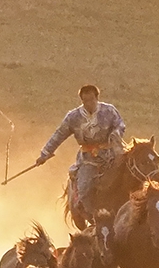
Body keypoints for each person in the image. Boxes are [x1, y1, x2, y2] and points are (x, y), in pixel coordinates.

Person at [36, 84, 126, 224]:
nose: (89, 104)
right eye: (85, 101)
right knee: (84, 187)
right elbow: (59, 134)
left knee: (129, 176)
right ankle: (92, 218)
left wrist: (115, 134)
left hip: (111, 155)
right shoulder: (73, 117)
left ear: (97, 98)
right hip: (88, 159)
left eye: (91, 100)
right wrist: (45, 153)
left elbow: (120, 125)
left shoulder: (109, 111)